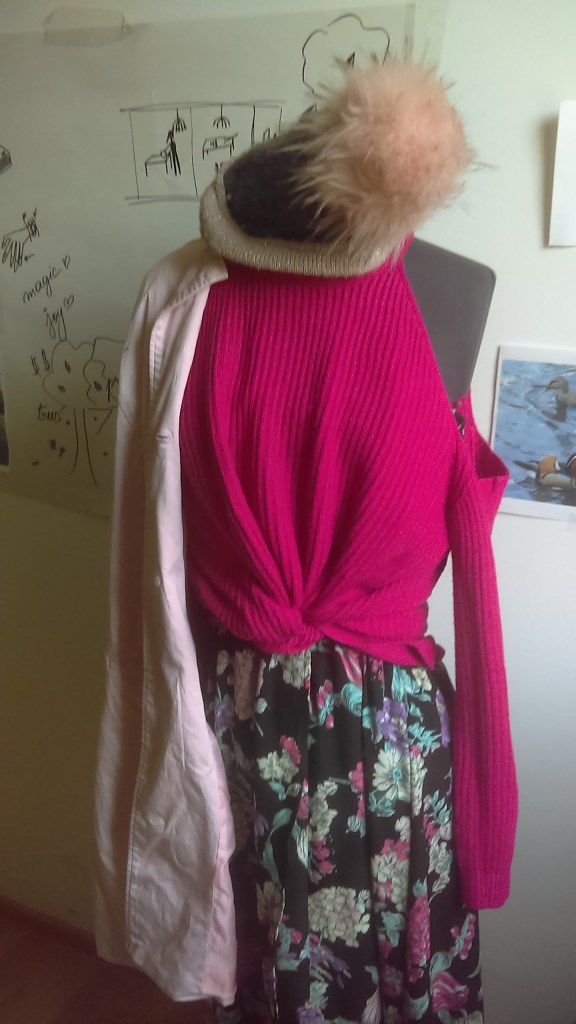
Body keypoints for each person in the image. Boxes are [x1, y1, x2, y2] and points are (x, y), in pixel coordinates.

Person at [94, 61, 518, 1024]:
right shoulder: (191, 296)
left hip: (249, 704)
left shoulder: (186, 298)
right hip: (371, 724)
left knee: (279, 966)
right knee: (324, 960)